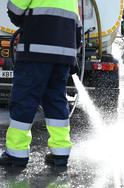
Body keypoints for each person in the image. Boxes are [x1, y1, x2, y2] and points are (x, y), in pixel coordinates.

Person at [0, 0, 81, 167]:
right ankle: (60, 152)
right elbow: (77, 29)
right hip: (63, 56)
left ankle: (16, 153)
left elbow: (14, 10)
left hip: (35, 52)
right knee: (56, 101)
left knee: (25, 100)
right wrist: (73, 58)